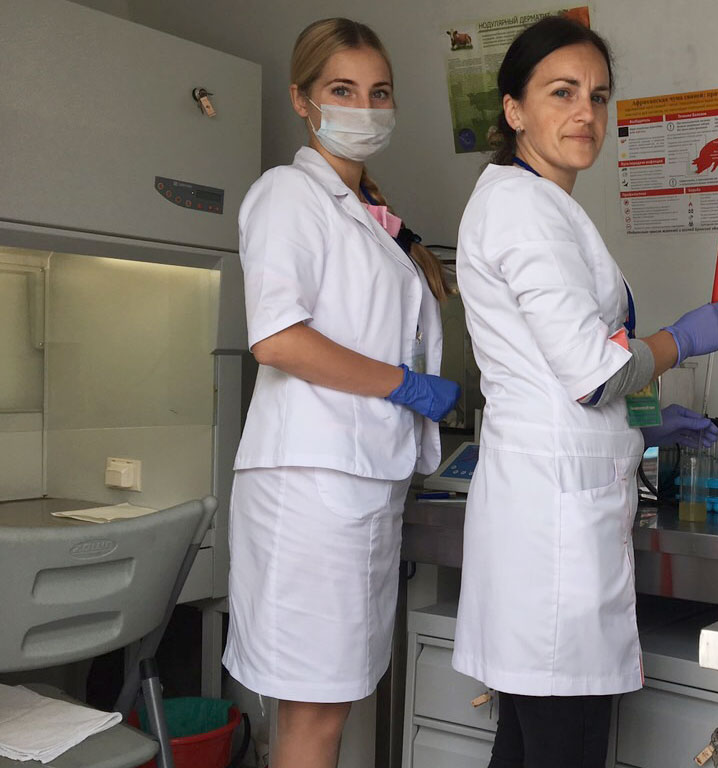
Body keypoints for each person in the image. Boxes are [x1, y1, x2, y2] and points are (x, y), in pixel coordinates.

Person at [452, 16, 718, 768]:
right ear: (514, 109)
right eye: (562, 92)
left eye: (598, 97)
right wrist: (680, 340)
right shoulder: (523, 208)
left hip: (556, 507)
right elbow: (595, 371)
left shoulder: (542, 204)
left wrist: (644, 421)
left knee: (529, 748)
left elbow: (576, 363)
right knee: (560, 749)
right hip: (550, 527)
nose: (585, 113)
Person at [222, 18, 459, 768]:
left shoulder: (372, 216)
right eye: (343, 90)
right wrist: (405, 386)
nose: (365, 107)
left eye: (378, 92)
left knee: (332, 706)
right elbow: (278, 338)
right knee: (315, 716)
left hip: (356, 481)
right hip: (310, 488)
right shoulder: (288, 195)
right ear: (303, 100)